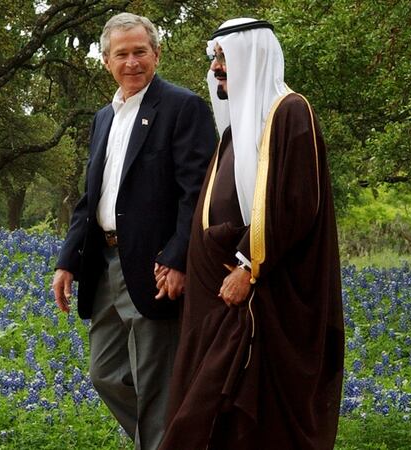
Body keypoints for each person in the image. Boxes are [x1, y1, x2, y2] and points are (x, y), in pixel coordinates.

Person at [159, 18, 345, 449]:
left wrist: (247, 264)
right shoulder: (234, 132)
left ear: (251, 57)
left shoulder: (289, 112)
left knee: (254, 418)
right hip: (220, 300)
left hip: (266, 297)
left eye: (224, 58)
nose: (216, 68)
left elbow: (294, 205)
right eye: (214, 59)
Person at [51, 12, 216, 450]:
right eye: (121, 54)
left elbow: (196, 193)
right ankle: (174, 440)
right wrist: (68, 260)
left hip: (154, 266)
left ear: (156, 54)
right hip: (103, 264)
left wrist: (179, 256)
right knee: (104, 374)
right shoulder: (105, 117)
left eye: (140, 52)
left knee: (156, 383)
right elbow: (91, 197)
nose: (131, 62)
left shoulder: (183, 107)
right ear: (105, 61)